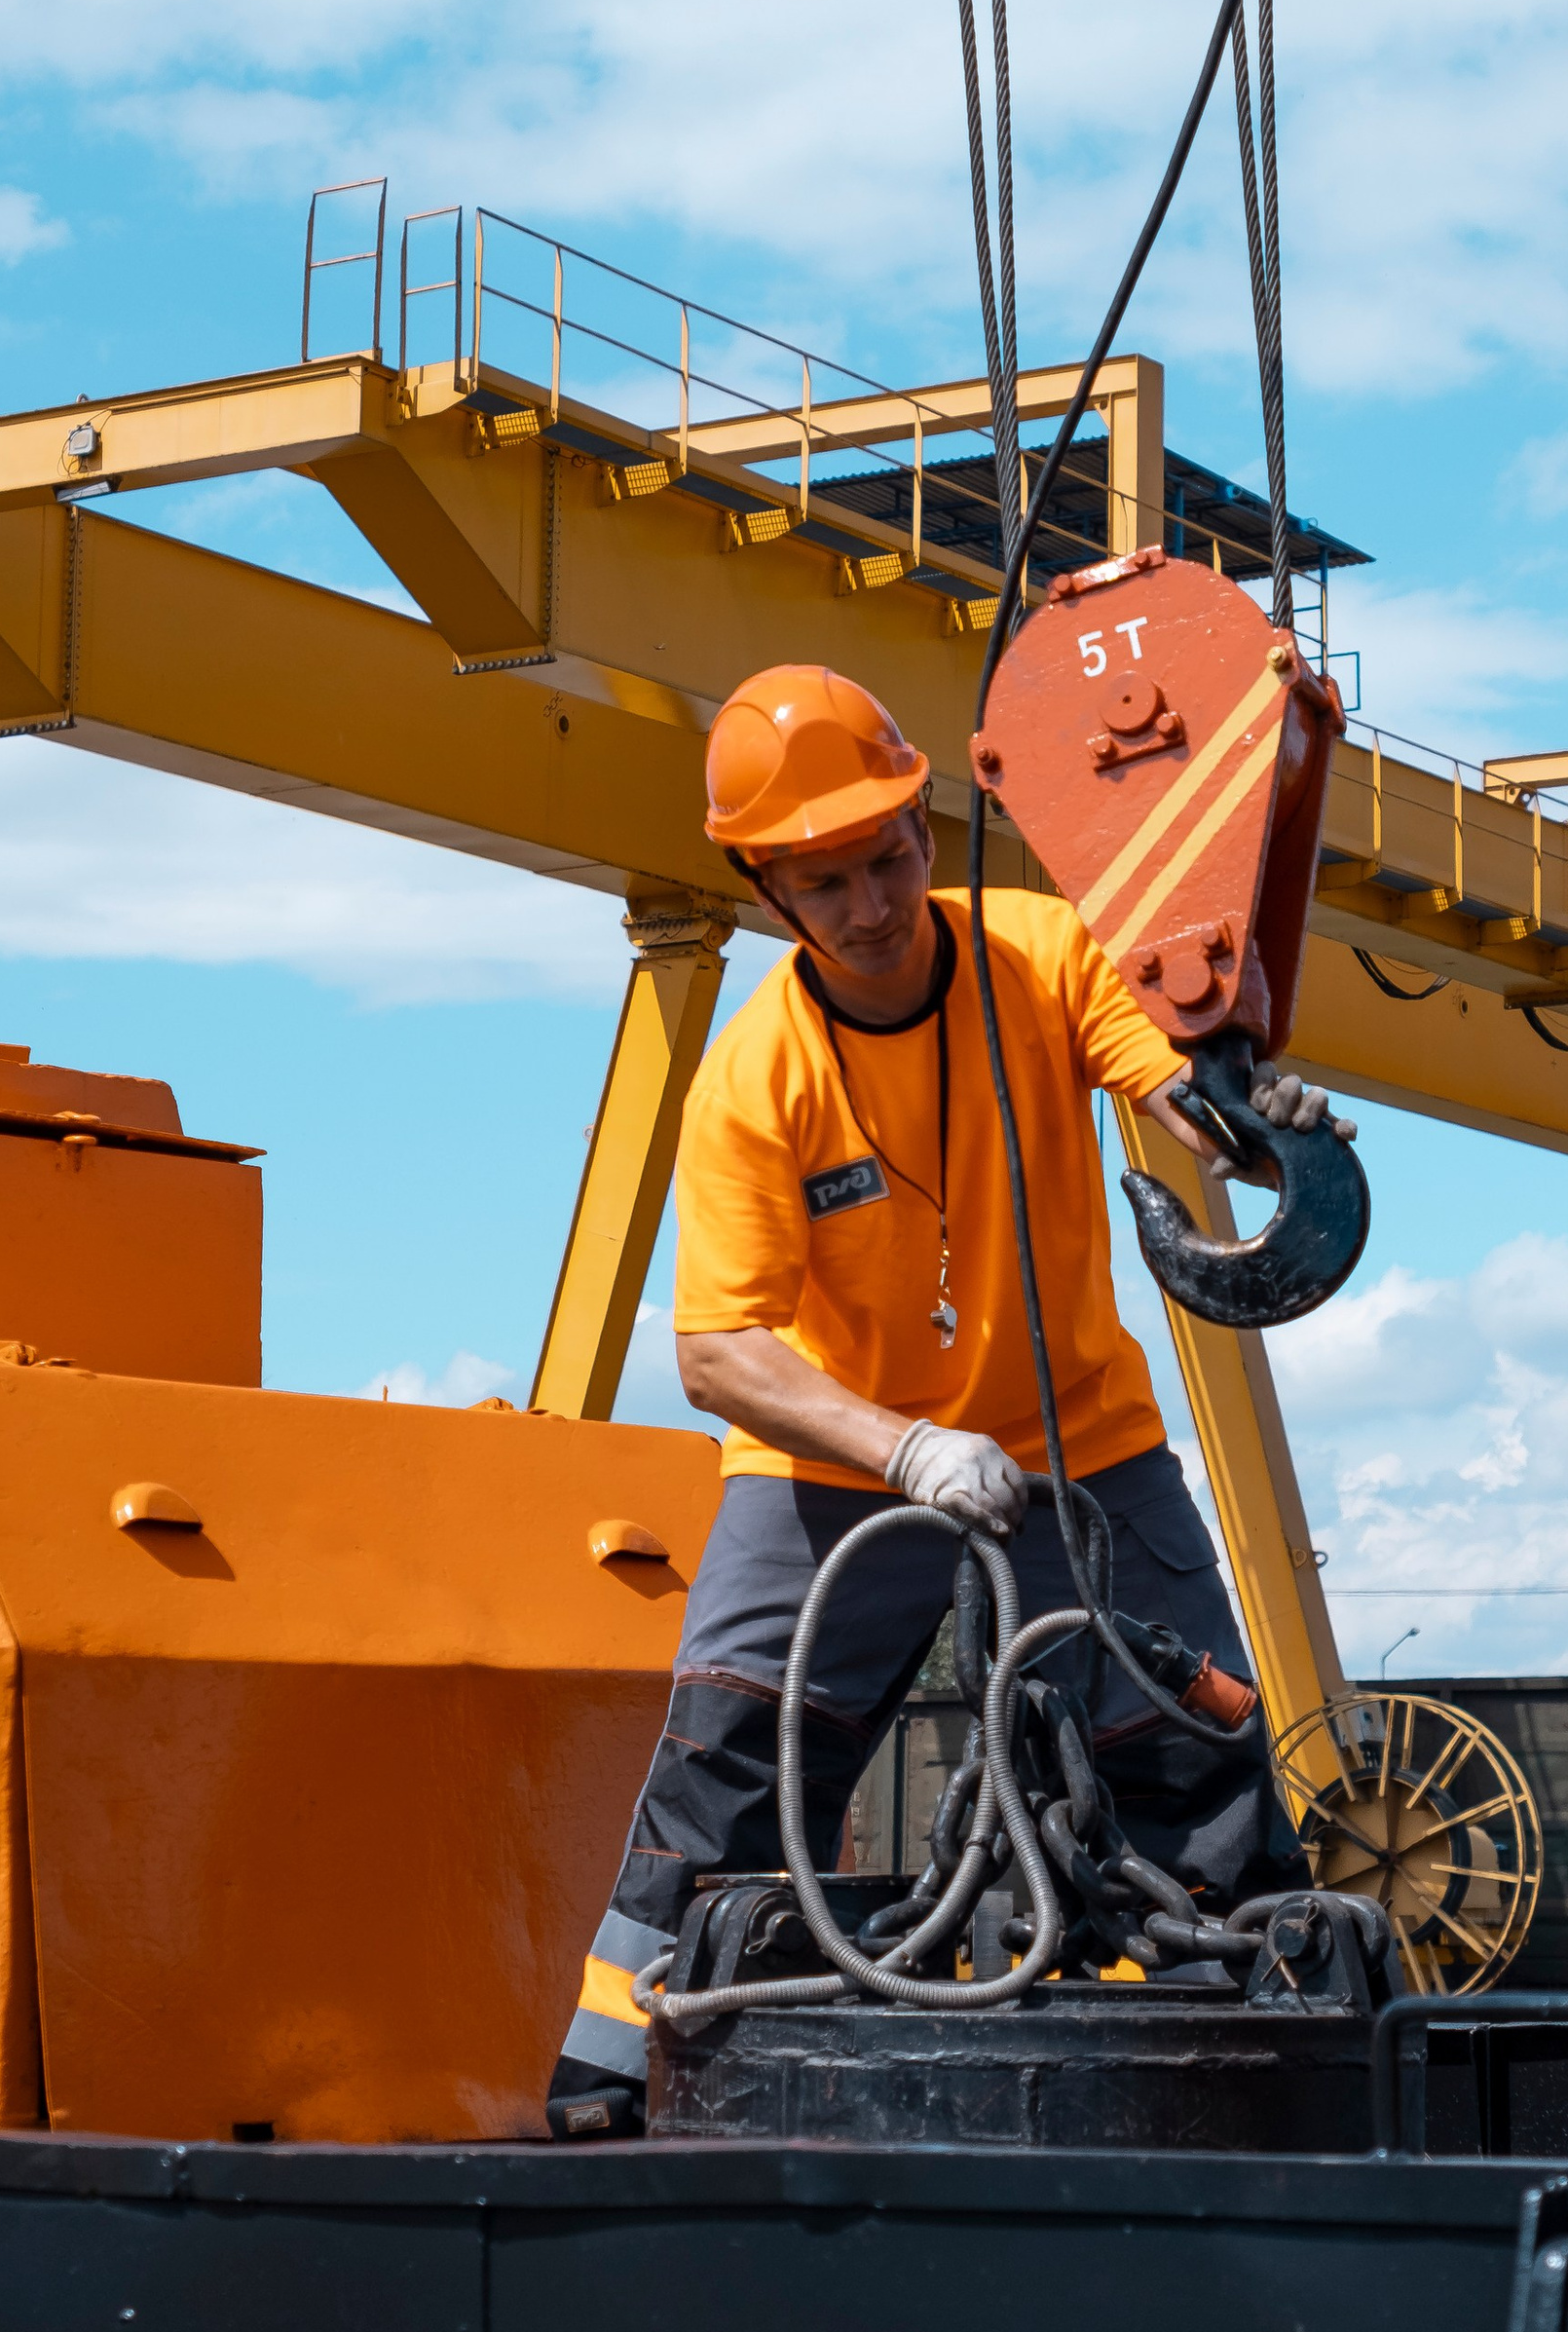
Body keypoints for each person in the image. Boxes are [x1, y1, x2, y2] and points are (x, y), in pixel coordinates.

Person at [546, 659, 1354, 2138]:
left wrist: (1254, 1128)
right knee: (730, 1758)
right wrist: (907, 1448)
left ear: (926, 824)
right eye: (826, 880)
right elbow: (719, 1351)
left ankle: (1280, 2075)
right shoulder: (757, 1080)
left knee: (1194, 1743)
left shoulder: (1039, 956)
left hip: (1082, 1446)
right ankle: (608, 2082)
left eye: (889, 856)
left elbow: (1167, 1084)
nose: (871, 903)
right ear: (767, 889)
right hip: (838, 1463)